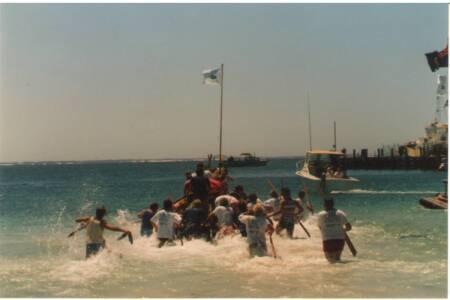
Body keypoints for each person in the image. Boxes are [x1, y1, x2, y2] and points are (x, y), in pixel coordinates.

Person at [316, 198, 352, 263]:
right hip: (339, 239)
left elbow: (320, 227)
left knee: (329, 261)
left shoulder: (321, 214)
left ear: (324, 205)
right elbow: (349, 227)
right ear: (333, 204)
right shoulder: (340, 213)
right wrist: (342, 230)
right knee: (337, 260)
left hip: (327, 239)